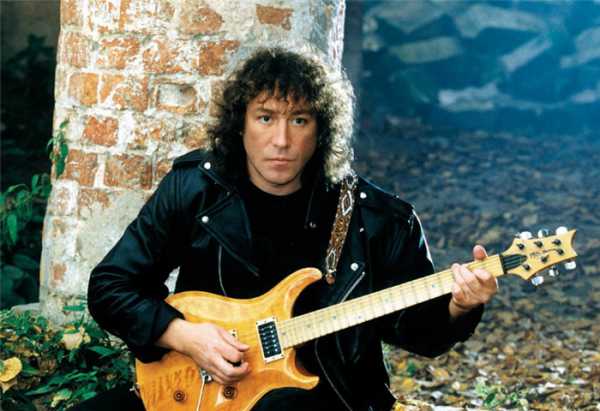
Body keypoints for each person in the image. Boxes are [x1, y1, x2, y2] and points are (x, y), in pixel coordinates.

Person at [78, 48, 497, 411]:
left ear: (321, 130)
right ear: (240, 125)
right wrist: (185, 336)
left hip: (325, 396)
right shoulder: (197, 188)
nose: (281, 140)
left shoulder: (378, 219)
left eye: (299, 120)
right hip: (195, 390)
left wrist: (460, 306)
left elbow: (422, 335)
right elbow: (111, 286)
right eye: (265, 118)